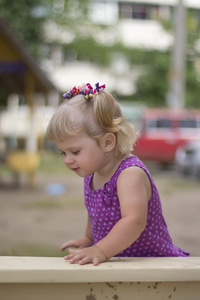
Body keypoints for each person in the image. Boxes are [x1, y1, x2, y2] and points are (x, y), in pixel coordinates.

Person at [46, 82, 189, 266]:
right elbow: (95, 212)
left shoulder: (129, 174)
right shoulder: (92, 173)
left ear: (107, 143)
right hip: (119, 264)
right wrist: (88, 239)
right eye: (63, 153)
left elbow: (134, 221)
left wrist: (100, 250)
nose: (67, 160)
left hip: (152, 265)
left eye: (75, 152)